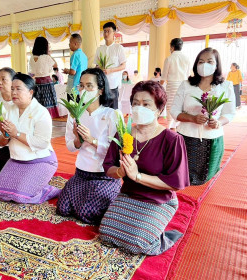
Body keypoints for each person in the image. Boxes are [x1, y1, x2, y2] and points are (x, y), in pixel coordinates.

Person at [100, 80, 190, 255]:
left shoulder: (172, 140)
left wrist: (137, 176)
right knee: (106, 234)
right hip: (129, 194)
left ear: (159, 109)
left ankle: (167, 238)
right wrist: (120, 171)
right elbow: (108, 167)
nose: (139, 108)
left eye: (146, 104)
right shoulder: (123, 133)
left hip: (159, 199)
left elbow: (175, 183)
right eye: (135, 103)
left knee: (137, 243)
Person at [57, 68, 121, 225]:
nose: (83, 90)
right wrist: (79, 140)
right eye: (81, 86)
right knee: (63, 209)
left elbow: (116, 152)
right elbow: (70, 147)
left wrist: (92, 140)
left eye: (89, 86)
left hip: (104, 175)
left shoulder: (112, 115)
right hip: (82, 173)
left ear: (100, 90)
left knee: (88, 213)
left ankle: (114, 194)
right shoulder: (75, 115)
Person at [171, 48, 236, 185]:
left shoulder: (225, 86)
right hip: (186, 137)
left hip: (212, 139)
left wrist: (219, 122)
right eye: (201, 61)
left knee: (205, 179)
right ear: (196, 65)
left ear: (217, 65)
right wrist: (192, 118)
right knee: (182, 176)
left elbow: (229, 113)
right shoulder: (186, 85)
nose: (204, 64)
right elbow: (175, 111)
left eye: (209, 61)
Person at [0, 73, 60, 204]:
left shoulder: (41, 112)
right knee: (1, 192)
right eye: (12, 88)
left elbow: (42, 143)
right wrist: (6, 134)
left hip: (40, 160)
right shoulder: (8, 110)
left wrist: (16, 133)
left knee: (21, 196)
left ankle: (48, 190)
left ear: (30, 92)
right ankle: (34, 184)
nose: (14, 92)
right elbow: (0, 141)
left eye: (18, 89)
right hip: (17, 160)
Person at [94, 22, 126, 109]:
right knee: (102, 110)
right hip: (101, 85)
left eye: (108, 31)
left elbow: (123, 66)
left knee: (113, 112)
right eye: (104, 31)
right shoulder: (99, 49)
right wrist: (100, 69)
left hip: (113, 85)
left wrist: (110, 70)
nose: (106, 33)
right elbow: (96, 66)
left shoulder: (118, 48)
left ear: (114, 33)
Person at [161, 38, 190, 130]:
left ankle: (170, 125)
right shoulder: (186, 58)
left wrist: (158, 86)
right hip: (184, 85)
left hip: (172, 85)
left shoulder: (169, 58)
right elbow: (188, 74)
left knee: (170, 105)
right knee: (181, 105)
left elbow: (164, 76)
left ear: (172, 47)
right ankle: (178, 125)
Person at [29, 37, 59, 118]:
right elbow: (55, 65)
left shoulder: (31, 58)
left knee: (38, 102)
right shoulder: (46, 57)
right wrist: (49, 54)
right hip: (46, 82)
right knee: (48, 102)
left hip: (37, 82)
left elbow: (32, 72)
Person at [63, 33, 88, 100]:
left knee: (72, 108)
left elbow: (72, 72)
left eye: (70, 42)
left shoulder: (75, 55)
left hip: (73, 88)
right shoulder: (84, 56)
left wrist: (66, 71)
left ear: (75, 44)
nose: (69, 44)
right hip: (81, 86)